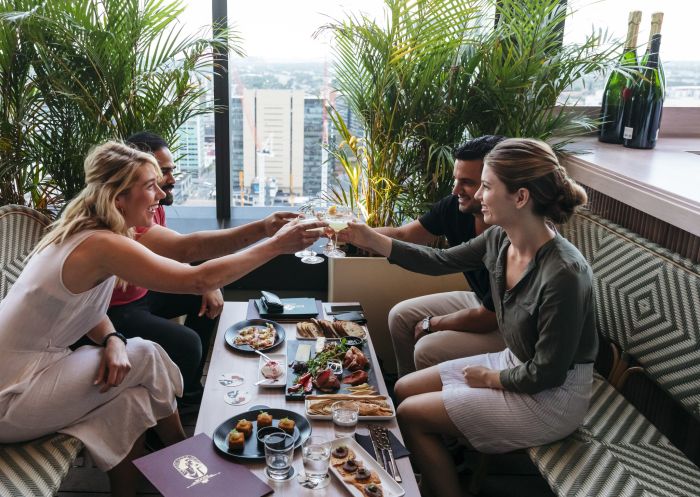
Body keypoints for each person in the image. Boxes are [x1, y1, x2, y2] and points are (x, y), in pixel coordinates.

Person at [0, 141, 324, 497]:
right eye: (149, 185)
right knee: (147, 354)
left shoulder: (90, 230)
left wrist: (112, 339)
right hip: (11, 395)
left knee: (132, 401)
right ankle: (199, 467)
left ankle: (154, 487)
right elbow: (197, 278)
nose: (160, 194)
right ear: (119, 197)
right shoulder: (100, 243)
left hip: (35, 374)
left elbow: (81, 308)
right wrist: (276, 245)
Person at [339, 138, 597, 497]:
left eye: (487, 187)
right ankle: (440, 467)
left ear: (520, 197)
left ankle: (438, 485)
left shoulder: (564, 274)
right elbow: (438, 261)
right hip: (517, 363)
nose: (479, 197)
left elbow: (548, 372)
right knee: (401, 389)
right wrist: (369, 238)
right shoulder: (499, 239)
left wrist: (490, 378)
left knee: (411, 414)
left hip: (552, 396)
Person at [105, 131, 298, 405]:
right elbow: (187, 248)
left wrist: (209, 282)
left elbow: (174, 252)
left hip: (143, 292)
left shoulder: (151, 204)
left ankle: (190, 388)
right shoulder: (126, 217)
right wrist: (267, 233)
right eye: (161, 174)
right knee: (187, 343)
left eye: (171, 171)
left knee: (207, 294)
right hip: (117, 310)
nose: (168, 182)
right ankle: (177, 398)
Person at [340, 135, 506, 377]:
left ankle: (427, 401)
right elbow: (404, 235)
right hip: (482, 302)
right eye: (456, 179)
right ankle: (406, 391)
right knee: (400, 316)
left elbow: (488, 318)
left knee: (427, 348)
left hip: (504, 324)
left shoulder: (508, 233)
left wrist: (432, 323)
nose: (455, 190)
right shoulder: (455, 207)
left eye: (468, 183)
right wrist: (352, 236)